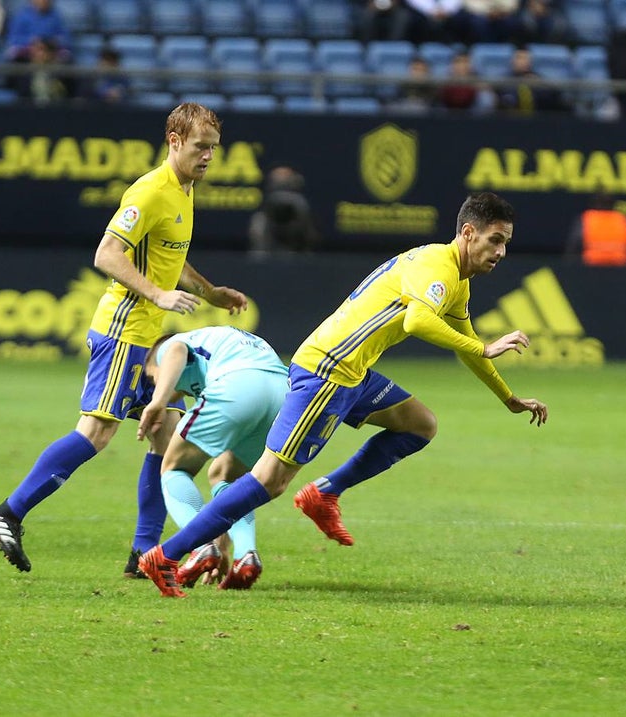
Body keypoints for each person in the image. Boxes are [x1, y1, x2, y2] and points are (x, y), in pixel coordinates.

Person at [137, 192, 549, 598]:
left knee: (420, 425)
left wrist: (507, 396)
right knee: (269, 480)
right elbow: (418, 321)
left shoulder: (455, 280)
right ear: (468, 233)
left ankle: (325, 492)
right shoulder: (436, 266)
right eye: (495, 240)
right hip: (327, 371)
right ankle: (165, 556)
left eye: (506, 243)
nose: (501, 252)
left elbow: (466, 345)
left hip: (354, 373)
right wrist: (485, 347)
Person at [0, 103, 249, 576]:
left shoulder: (184, 191)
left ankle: (143, 554)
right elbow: (107, 254)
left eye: (213, 148)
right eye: (200, 147)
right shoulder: (151, 191)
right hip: (123, 331)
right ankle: (8, 513)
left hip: (147, 337)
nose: (208, 156)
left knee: (167, 435)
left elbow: (170, 257)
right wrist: (158, 295)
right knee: (96, 432)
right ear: (174, 141)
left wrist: (210, 292)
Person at [135, 327, 290, 590]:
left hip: (239, 382)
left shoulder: (172, 345)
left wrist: (158, 400)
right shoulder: (220, 347)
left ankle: (199, 546)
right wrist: (221, 545)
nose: (157, 386)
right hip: (282, 395)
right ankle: (246, 554)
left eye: (153, 378)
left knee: (174, 468)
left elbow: (176, 350)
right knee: (229, 477)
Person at [248, 166, 321, 257]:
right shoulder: (261, 218)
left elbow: (311, 238)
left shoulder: (301, 205)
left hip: (299, 257)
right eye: (278, 181)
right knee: (258, 222)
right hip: (268, 255)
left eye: (285, 181)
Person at [565, 193, 626, 267]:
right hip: (619, 265)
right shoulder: (621, 219)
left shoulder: (588, 217)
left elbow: (574, 244)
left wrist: (570, 264)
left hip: (591, 265)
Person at [5, 0, 70, 61]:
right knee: (13, 53)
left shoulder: (56, 17)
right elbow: (13, 39)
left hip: (50, 51)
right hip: (27, 51)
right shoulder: (21, 16)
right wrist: (32, 41)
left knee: (65, 54)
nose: (43, 1)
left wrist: (52, 42)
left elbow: (66, 39)